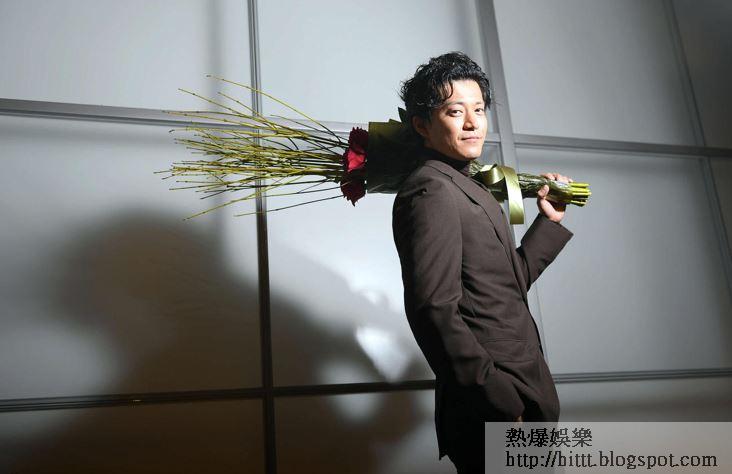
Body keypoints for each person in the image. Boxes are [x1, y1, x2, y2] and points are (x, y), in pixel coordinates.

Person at [392, 52, 574, 473]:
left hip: (524, 390)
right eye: (455, 112)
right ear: (421, 125)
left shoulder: (468, 184)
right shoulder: (431, 190)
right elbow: (433, 308)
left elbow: (504, 286)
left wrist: (549, 223)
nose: (473, 123)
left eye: (479, 109)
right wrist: (498, 401)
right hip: (496, 404)